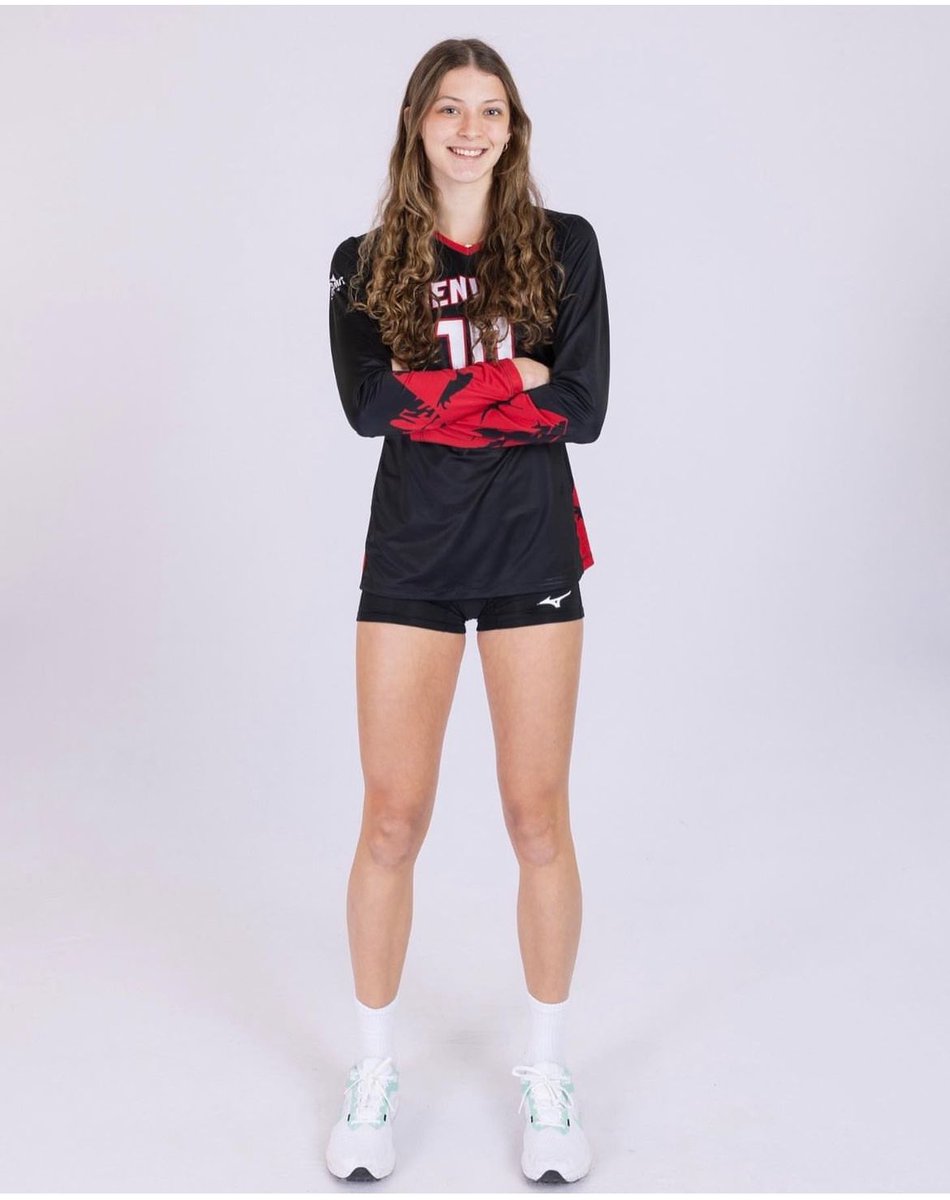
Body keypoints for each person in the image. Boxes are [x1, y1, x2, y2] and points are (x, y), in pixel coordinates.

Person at [325, 36, 609, 1186]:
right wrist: (510, 380)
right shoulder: (364, 262)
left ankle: (545, 1074)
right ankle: (370, 1075)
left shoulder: (562, 246)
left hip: (530, 548)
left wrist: (438, 396)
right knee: (391, 820)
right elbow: (365, 406)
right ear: (417, 123)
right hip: (412, 553)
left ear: (511, 128)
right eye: (449, 108)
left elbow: (582, 405)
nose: (469, 128)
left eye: (489, 109)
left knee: (535, 818)